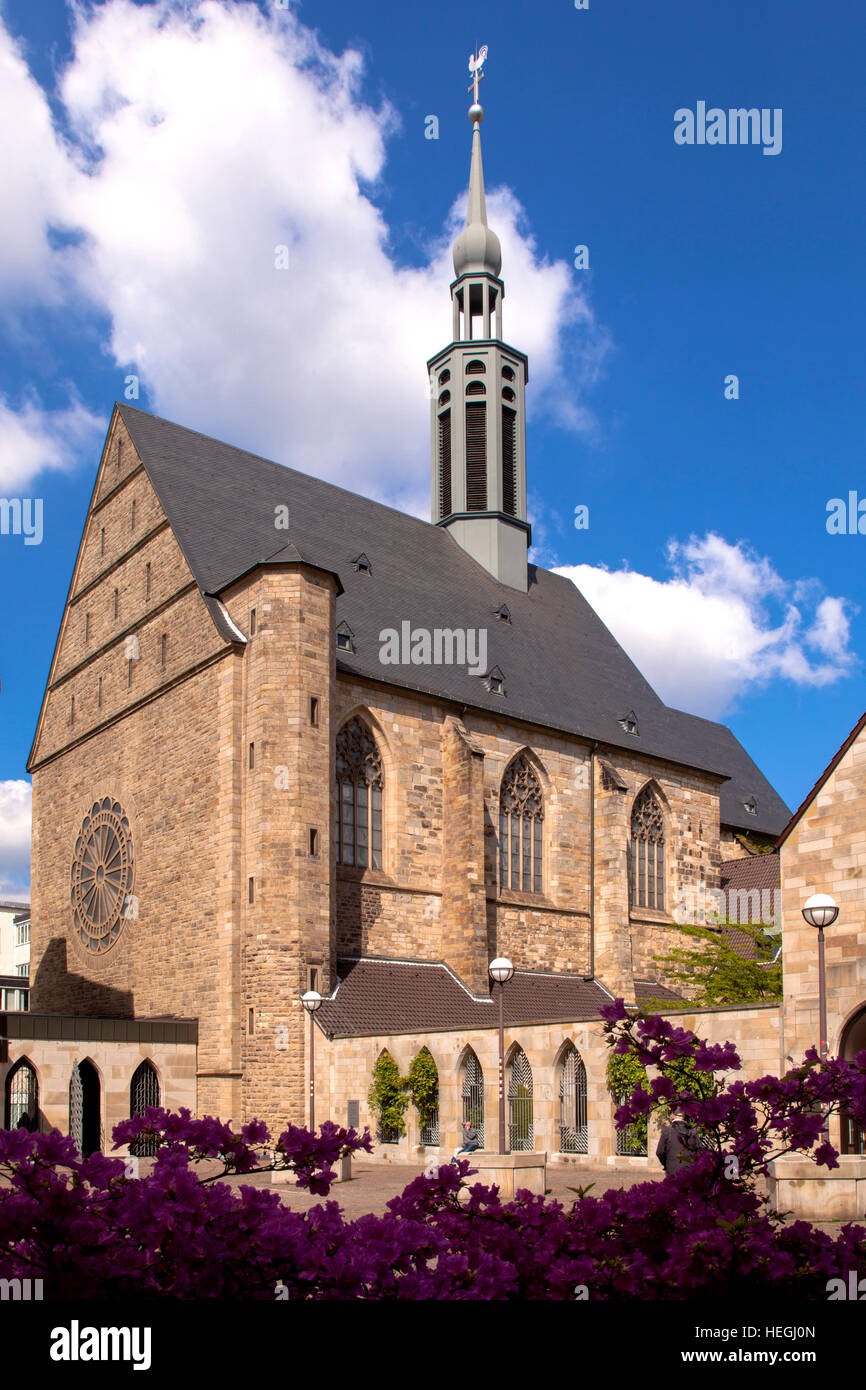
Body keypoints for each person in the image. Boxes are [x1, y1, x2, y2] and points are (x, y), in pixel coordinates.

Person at [656, 1110, 701, 1175]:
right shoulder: (692, 1131)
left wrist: (667, 1163)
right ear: (684, 1116)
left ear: (672, 1116)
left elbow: (660, 1152)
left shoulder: (667, 1131)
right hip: (690, 1171)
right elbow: (699, 1150)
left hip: (672, 1169)